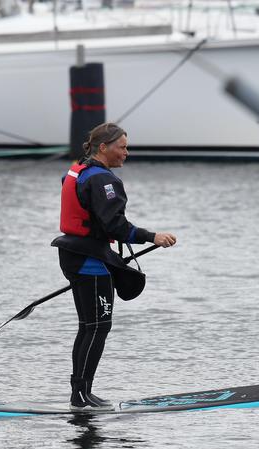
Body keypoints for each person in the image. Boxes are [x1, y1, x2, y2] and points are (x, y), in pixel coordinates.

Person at [51, 122, 177, 410]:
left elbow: (97, 219)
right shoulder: (104, 181)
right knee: (97, 326)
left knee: (89, 326)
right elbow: (116, 226)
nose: (126, 153)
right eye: (122, 147)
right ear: (104, 147)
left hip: (74, 254)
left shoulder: (78, 170)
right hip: (90, 261)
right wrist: (152, 237)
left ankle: (81, 393)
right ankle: (81, 396)